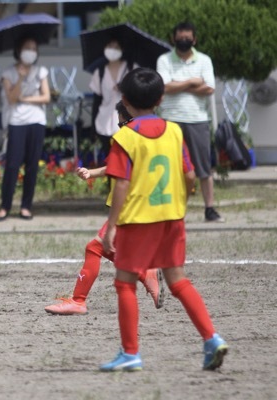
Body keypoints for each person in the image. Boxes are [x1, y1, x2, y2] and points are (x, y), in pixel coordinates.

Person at [99, 68, 228, 372]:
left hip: (138, 221)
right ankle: (211, 338)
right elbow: (190, 175)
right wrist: (188, 193)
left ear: (125, 101)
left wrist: (112, 226)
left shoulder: (125, 137)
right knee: (178, 281)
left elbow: (121, 184)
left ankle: (130, 353)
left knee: (125, 283)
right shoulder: (175, 131)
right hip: (172, 218)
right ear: (160, 99)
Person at [45, 101, 165, 316]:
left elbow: (121, 176)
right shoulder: (157, 133)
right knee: (106, 249)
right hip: (146, 203)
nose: (120, 127)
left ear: (130, 117)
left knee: (94, 248)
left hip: (129, 203)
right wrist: (92, 173)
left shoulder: (128, 136)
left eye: (121, 123)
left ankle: (78, 301)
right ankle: (145, 273)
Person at [156, 21, 223, 223]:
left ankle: (209, 208)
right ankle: (172, 211)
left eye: (187, 38)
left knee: (203, 167)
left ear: (194, 39)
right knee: (171, 168)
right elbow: (164, 87)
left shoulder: (204, 60)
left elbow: (210, 88)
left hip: (197, 119)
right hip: (170, 119)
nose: (183, 41)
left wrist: (179, 85)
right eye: (180, 38)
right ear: (173, 38)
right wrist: (194, 82)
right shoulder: (164, 59)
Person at [0, 36, 51, 222]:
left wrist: (26, 99)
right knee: (12, 165)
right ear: (19, 50)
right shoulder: (8, 72)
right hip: (16, 121)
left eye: (34, 48)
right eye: (27, 47)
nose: (30, 51)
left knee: (32, 166)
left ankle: (26, 206)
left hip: (37, 120)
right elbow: (11, 98)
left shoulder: (41, 70)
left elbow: (46, 97)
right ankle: (5, 206)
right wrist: (20, 77)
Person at [89, 38, 136, 159]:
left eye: (116, 47)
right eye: (110, 46)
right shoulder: (100, 72)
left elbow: (139, 93)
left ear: (122, 49)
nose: (112, 50)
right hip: (105, 121)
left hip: (128, 121)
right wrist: (92, 128)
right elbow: (96, 101)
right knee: (110, 160)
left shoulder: (131, 68)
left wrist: (125, 87)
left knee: (127, 160)